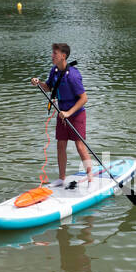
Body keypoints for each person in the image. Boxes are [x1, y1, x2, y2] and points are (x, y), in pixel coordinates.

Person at [31, 42, 94, 186]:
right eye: (52, 53)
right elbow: (48, 87)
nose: (52, 56)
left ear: (63, 56)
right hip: (62, 114)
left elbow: (84, 98)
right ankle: (61, 178)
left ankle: (90, 177)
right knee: (61, 145)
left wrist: (69, 112)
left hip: (76, 114)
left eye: (55, 53)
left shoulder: (72, 75)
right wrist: (38, 83)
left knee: (80, 146)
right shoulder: (54, 71)